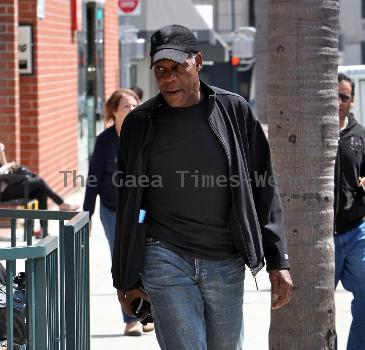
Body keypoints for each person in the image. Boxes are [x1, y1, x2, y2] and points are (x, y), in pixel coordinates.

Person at [112, 24, 293, 349]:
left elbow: (263, 185)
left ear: (197, 61)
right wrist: (125, 276)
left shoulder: (233, 110)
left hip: (225, 259)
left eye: (177, 67)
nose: (168, 78)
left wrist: (278, 259)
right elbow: (128, 201)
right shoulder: (140, 123)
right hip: (163, 255)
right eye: (160, 70)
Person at [83, 88, 154, 336]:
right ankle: (131, 319)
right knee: (122, 259)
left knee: (145, 254)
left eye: (135, 105)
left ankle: (146, 312)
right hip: (113, 211)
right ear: (114, 111)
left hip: (141, 211)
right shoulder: (104, 141)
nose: (132, 109)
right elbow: (93, 179)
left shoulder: (145, 136)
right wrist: (87, 214)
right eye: (126, 106)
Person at [335, 73, 365, 350]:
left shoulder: (360, 135)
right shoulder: (310, 133)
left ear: (352, 101)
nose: (338, 102)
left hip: (356, 231)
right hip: (321, 236)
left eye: (344, 97)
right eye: (334, 95)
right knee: (315, 306)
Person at [0, 142, 78, 212]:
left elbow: (4, 169)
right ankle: (61, 204)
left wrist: (9, 166)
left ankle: (43, 227)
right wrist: (7, 166)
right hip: (3, 192)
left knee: (41, 193)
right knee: (39, 181)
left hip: (10, 187)